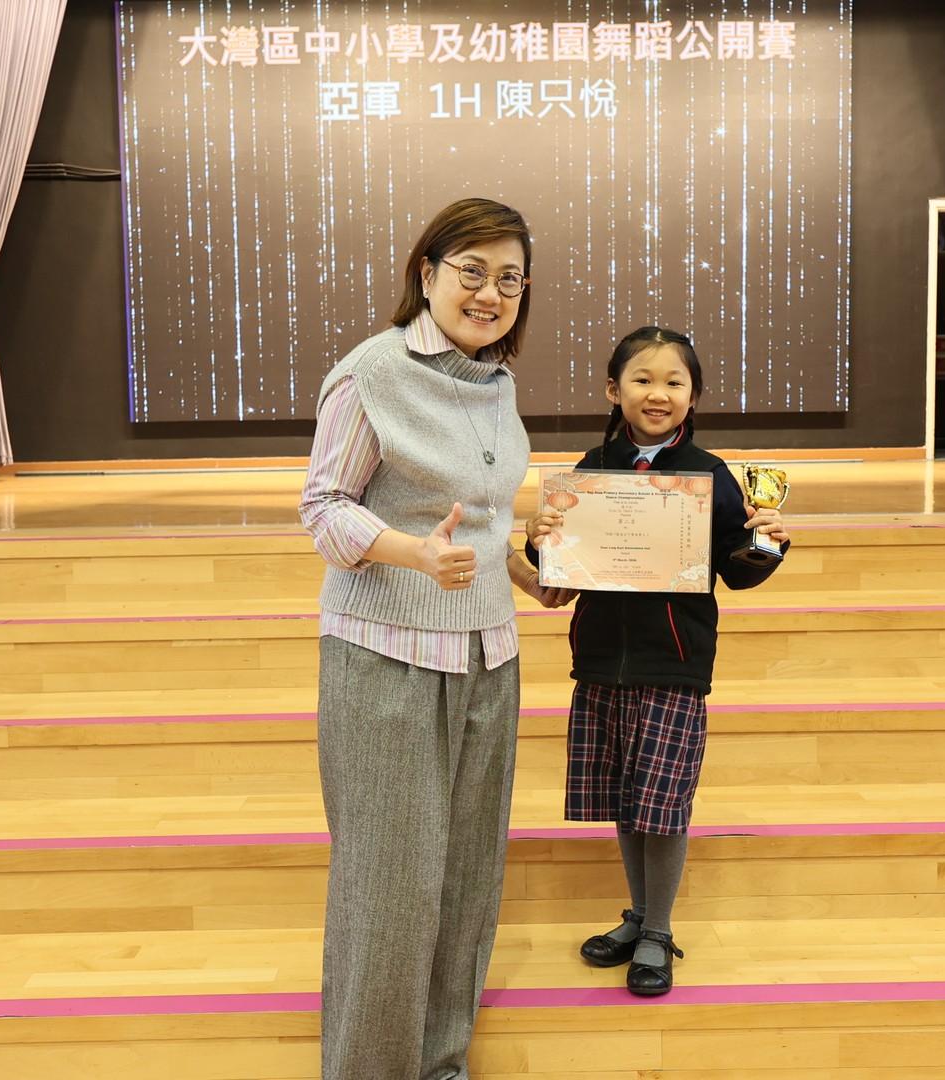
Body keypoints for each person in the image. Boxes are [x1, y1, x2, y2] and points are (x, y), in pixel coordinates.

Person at [299, 197, 573, 1080]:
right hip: (388, 655)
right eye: (472, 272)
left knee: (465, 879)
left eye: (510, 280)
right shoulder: (370, 373)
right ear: (427, 273)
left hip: (489, 656)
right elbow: (323, 508)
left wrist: (530, 575)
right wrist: (413, 553)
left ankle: (441, 1063)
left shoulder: (496, 383)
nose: (490, 294)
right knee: (390, 885)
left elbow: (480, 526)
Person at [524, 326, 790, 996]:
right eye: (642, 379)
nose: (658, 393)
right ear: (613, 390)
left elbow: (736, 569)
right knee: (626, 796)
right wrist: (537, 541)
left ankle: (659, 931)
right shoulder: (590, 469)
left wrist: (766, 545)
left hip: (674, 665)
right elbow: (560, 569)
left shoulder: (712, 475)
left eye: (674, 381)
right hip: (600, 662)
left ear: (693, 395)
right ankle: (639, 916)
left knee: (663, 805)